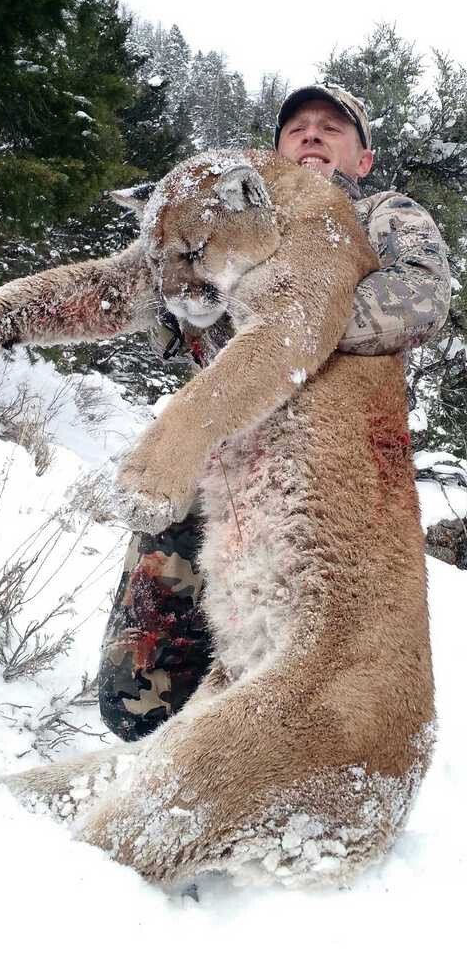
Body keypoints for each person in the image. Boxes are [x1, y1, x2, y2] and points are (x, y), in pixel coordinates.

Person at [97, 84, 452, 741]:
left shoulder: (385, 215)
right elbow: (129, 295)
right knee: (135, 705)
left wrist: (282, 325)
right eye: (297, 128)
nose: (311, 135)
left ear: (364, 159)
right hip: (212, 463)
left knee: (306, 680)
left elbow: (422, 300)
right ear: (272, 151)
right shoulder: (222, 218)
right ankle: (181, 760)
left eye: (331, 127)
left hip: (328, 475)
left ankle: (272, 773)